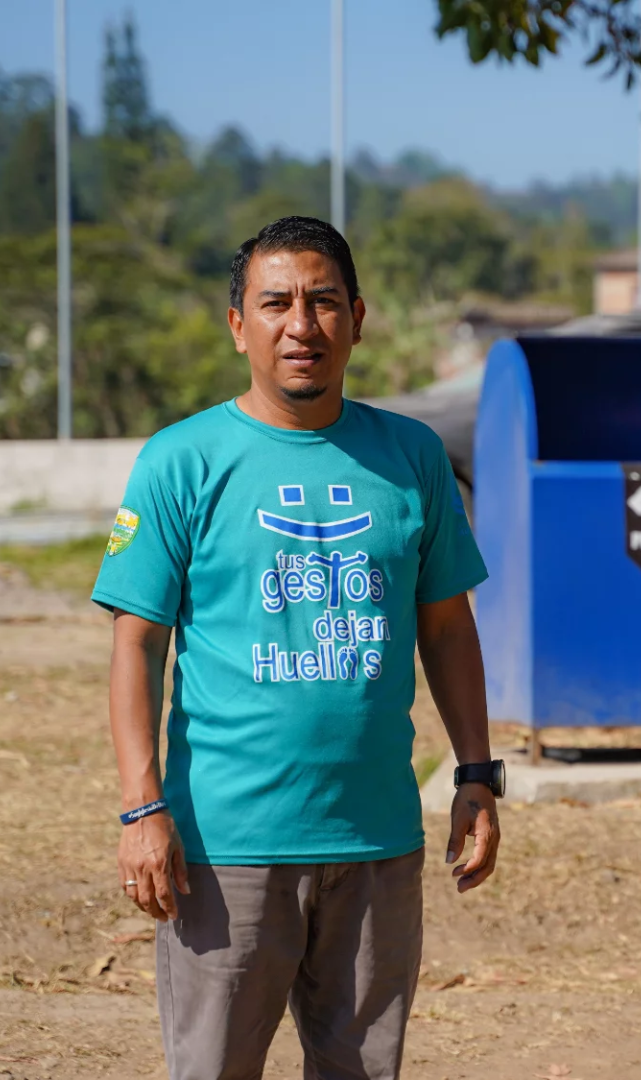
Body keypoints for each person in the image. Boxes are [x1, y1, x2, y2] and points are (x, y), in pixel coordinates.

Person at [93, 215, 503, 1079]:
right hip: (226, 846)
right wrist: (142, 810)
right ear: (239, 324)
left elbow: (447, 627)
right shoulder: (182, 461)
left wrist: (475, 775)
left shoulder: (411, 457)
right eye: (274, 303)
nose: (300, 325)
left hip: (378, 841)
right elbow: (137, 646)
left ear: (357, 316)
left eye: (322, 302)